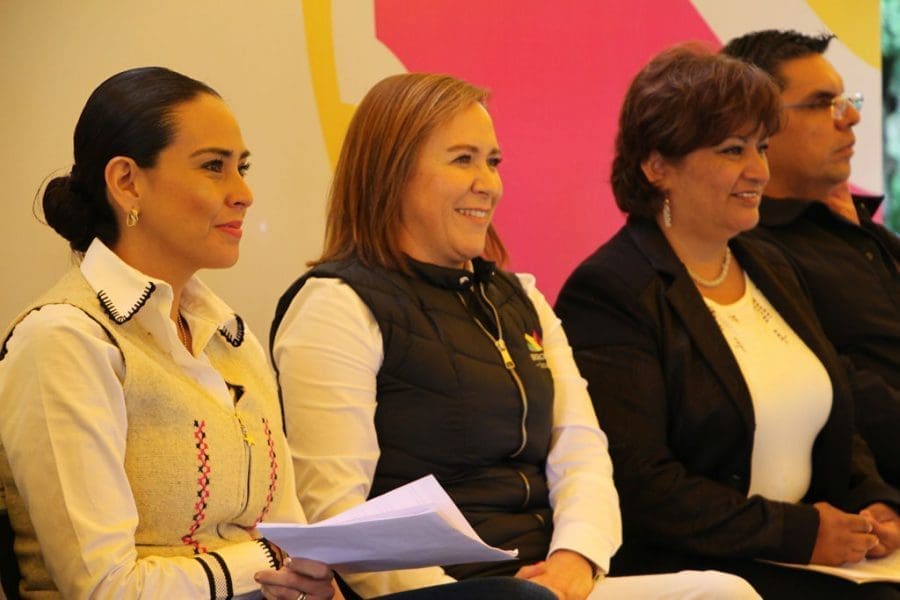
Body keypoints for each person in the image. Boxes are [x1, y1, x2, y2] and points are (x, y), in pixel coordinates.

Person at [270, 72, 760, 600]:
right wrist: (461, 594)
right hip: (439, 591)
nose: (488, 183)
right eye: (463, 160)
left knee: (722, 592)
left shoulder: (520, 297)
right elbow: (337, 516)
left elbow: (582, 450)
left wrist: (575, 561)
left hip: (544, 584)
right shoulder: (336, 305)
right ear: (392, 172)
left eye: (493, 161)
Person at [554, 44, 900, 599]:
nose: (758, 170)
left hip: (809, 559)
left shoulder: (770, 264)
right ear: (657, 166)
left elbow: (835, 413)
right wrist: (800, 533)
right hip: (700, 570)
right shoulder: (611, 290)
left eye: (761, 147)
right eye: (732, 150)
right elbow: (642, 484)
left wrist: (874, 500)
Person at [0, 66, 337, 599]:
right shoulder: (64, 339)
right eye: (214, 167)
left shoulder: (232, 339)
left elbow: (291, 539)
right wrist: (272, 561)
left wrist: (311, 583)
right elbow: (105, 589)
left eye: (242, 167)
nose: (244, 193)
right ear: (126, 182)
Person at [722, 30, 900, 486]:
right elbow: (838, 389)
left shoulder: (862, 230)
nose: (852, 117)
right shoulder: (746, 251)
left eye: (846, 100)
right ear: (755, 125)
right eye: (823, 103)